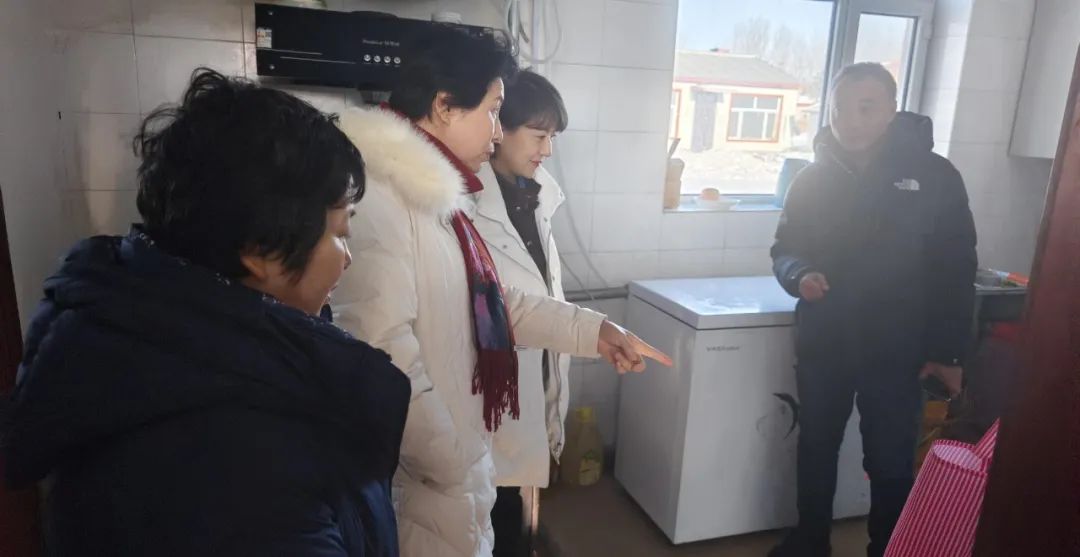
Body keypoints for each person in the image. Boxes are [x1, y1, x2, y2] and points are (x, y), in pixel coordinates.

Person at [0, 69, 410, 557]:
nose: (348, 256)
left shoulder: (147, 341)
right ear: (260, 250)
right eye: (339, 232)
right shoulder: (238, 462)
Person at [332, 26, 671, 557]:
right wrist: (453, 458)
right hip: (426, 480)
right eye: (493, 111)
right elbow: (383, 357)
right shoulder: (383, 201)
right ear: (445, 105)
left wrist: (594, 330)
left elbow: (487, 304)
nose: (496, 131)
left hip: (456, 470)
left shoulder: (437, 197)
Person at [769, 62, 977, 557]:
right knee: (816, 445)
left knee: (890, 458)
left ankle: (889, 547)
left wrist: (949, 353)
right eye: (840, 108)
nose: (851, 120)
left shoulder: (935, 175)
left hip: (897, 348)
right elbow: (784, 249)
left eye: (866, 107)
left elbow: (956, 269)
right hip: (826, 340)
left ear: (891, 109)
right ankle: (810, 541)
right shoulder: (811, 179)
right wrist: (799, 275)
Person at [470, 69, 569, 557]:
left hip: (538, 370)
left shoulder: (536, 195)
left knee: (518, 511)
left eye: (552, 137)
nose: (547, 150)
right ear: (499, 129)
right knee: (493, 516)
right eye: (538, 135)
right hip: (491, 392)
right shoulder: (470, 203)